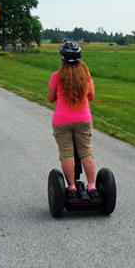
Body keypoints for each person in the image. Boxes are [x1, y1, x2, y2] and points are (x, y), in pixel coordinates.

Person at [47, 41, 98, 199]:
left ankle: (72, 187)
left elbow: (50, 98)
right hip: (83, 119)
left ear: (62, 58)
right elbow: (91, 96)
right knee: (86, 152)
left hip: (62, 121)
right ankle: (92, 186)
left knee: (66, 154)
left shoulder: (57, 76)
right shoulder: (86, 75)